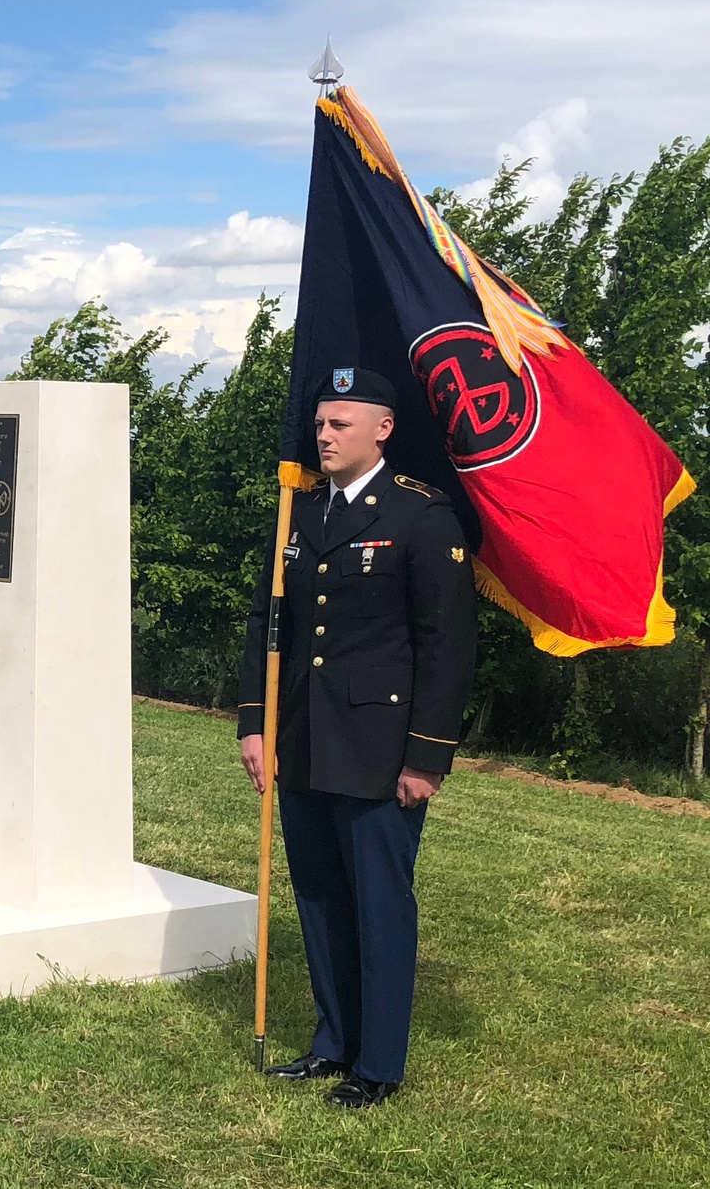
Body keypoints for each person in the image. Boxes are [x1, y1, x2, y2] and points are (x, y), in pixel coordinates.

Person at [238, 366, 478, 1109]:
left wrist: (428, 756)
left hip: (380, 750)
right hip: (305, 740)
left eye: (341, 422)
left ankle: (377, 1065)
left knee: (378, 904)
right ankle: (332, 1041)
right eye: (320, 421)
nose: (324, 433)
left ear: (383, 429)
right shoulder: (299, 512)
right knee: (317, 894)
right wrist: (257, 722)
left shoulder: (421, 517)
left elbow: (448, 645)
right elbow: (267, 624)